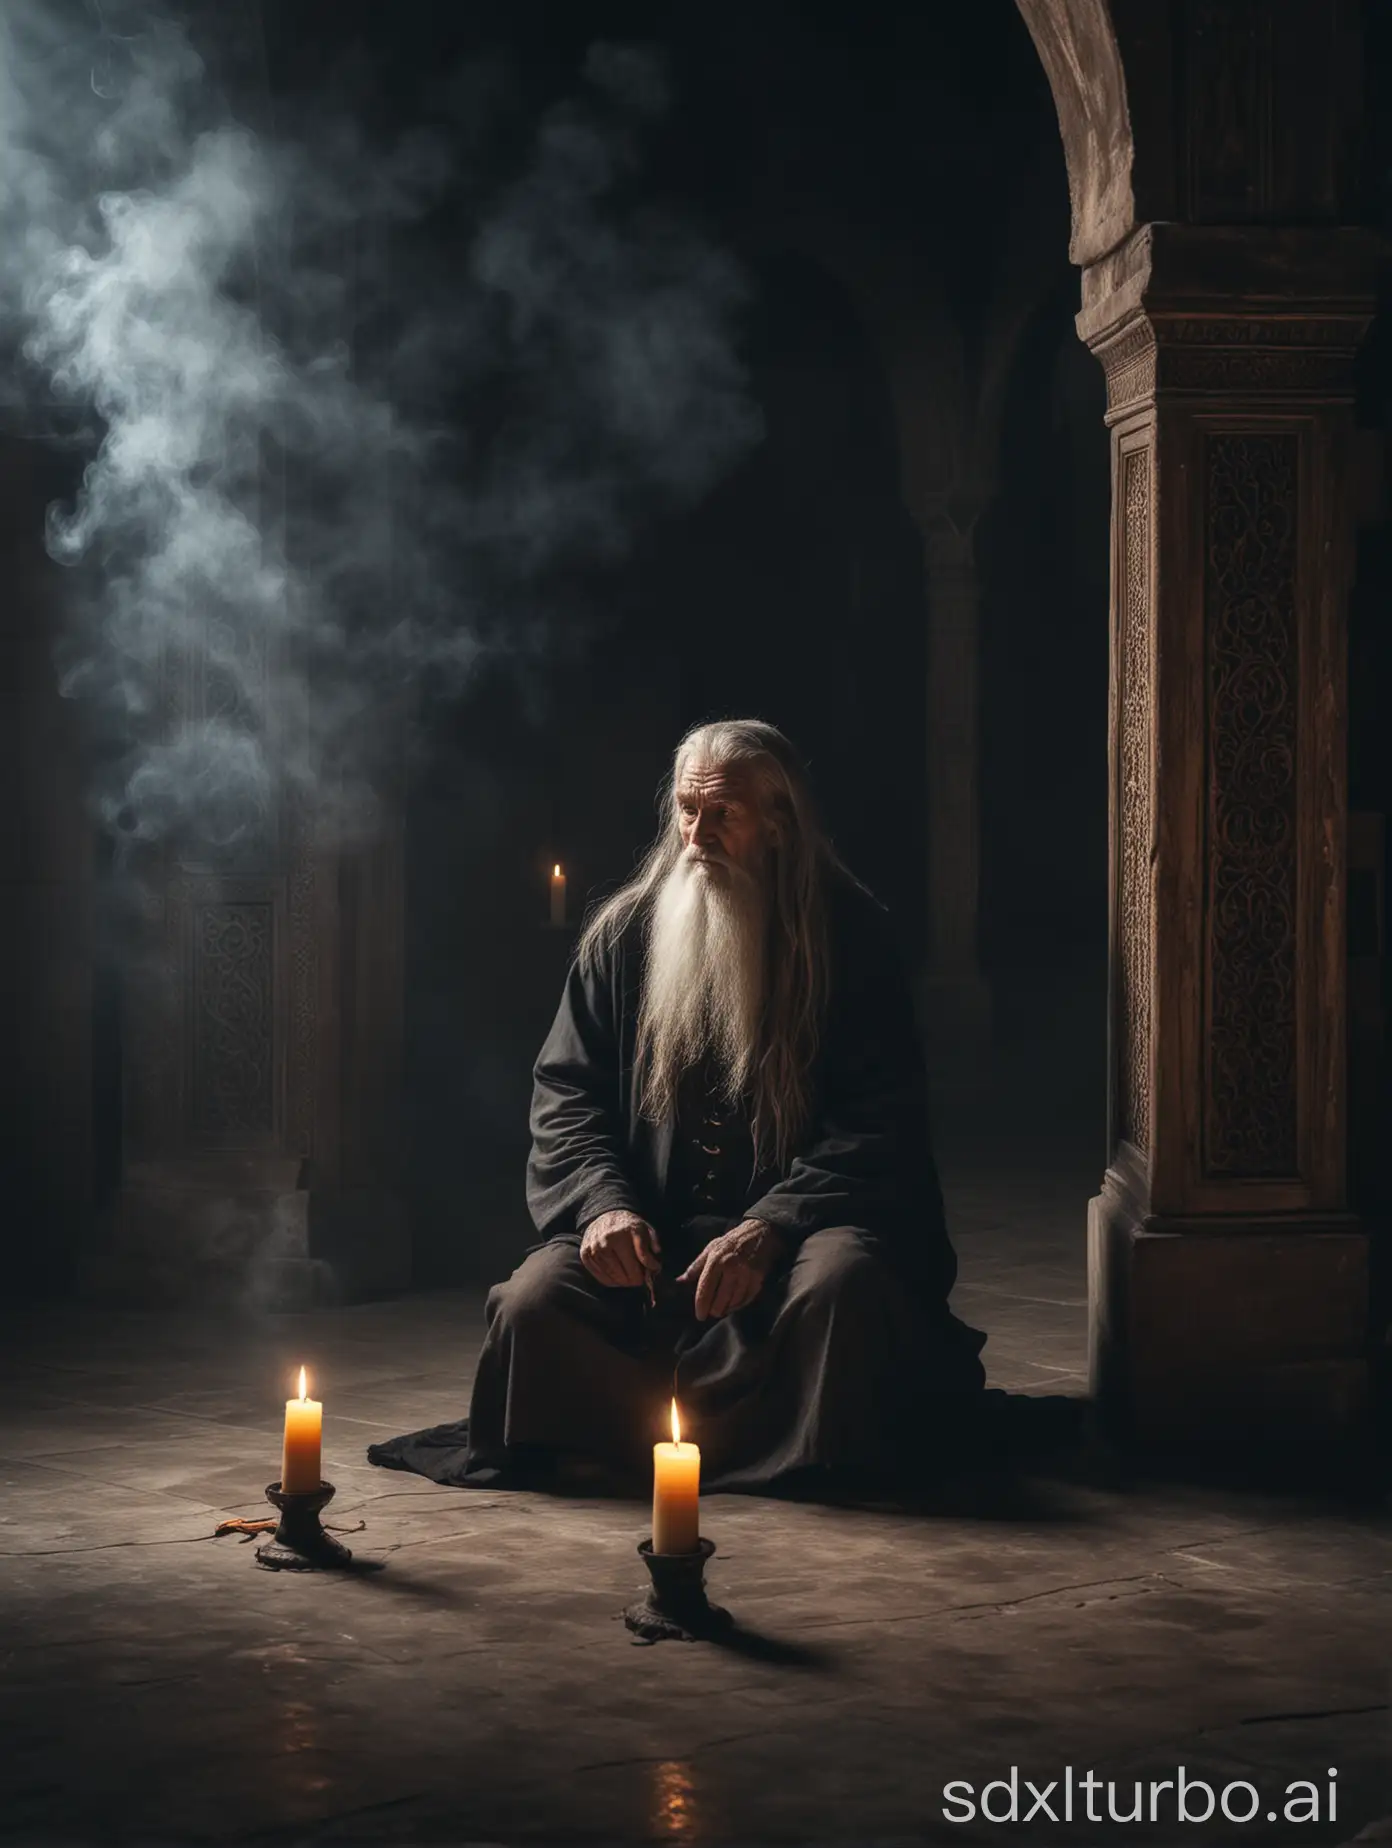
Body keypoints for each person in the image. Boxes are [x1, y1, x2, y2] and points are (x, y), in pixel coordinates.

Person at [371, 718, 986, 1499]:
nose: (698, 835)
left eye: (723, 814)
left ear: (778, 824)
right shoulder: (622, 936)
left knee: (844, 1289)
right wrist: (602, 1209)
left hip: (796, 1249)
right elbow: (566, 1096)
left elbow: (879, 1123)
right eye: (688, 812)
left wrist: (771, 1229)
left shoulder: (851, 939)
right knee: (532, 1304)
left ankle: (770, 1444)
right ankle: (736, 1438)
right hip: (652, 1247)